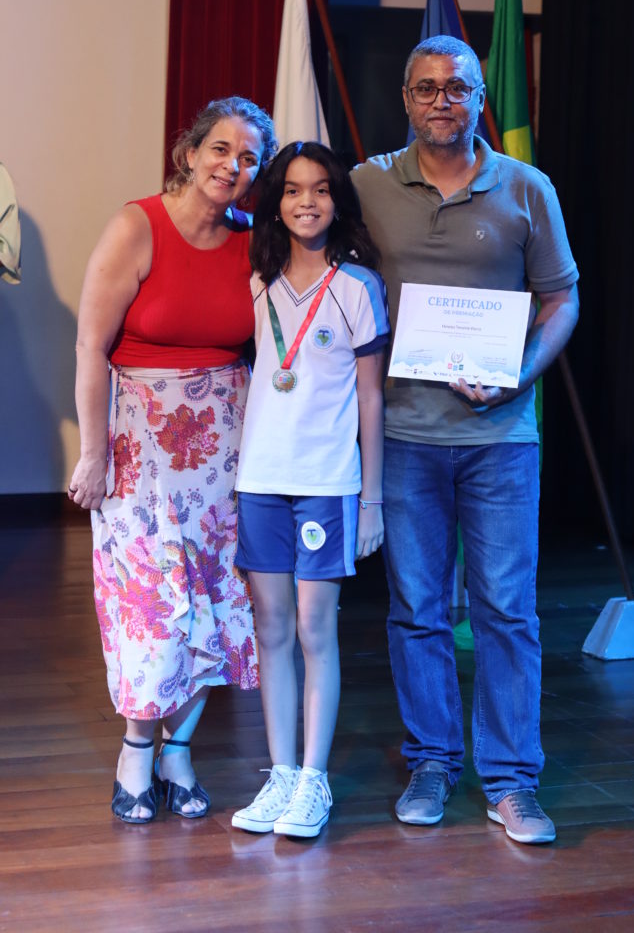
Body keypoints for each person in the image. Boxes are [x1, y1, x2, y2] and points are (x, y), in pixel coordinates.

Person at [351, 35, 580, 845]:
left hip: (501, 438)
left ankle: (512, 781)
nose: (440, 100)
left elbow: (561, 300)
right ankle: (431, 762)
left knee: (506, 612)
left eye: (456, 88)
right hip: (403, 436)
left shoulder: (526, 187)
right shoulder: (367, 184)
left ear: (480, 98)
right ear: (404, 98)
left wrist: (518, 374)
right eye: (425, 88)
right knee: (416, 610)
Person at [69, 97, 277, 824]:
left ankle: (178, 750)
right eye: (221, 149)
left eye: (248, 159)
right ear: (189, 153)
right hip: (140, 444)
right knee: (149, 601)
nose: (232, 167)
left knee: (216, 598)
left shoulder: (254, 240)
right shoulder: (137, 226)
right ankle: (136, 747)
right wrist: (93, 453)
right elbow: (90, 347)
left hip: (227, 447)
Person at [231, 141, 389, 838]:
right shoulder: (257, 281)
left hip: (327, 483)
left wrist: (372, 498)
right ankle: (281, 774)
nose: (306, 202)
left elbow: (371, 399)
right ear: (275, 203)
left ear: (337, 200)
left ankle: (314, 780)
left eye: (320, 189)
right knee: (270, 628)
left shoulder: (357, 286)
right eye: (293, 190)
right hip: (260, 480)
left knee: (313, 627)